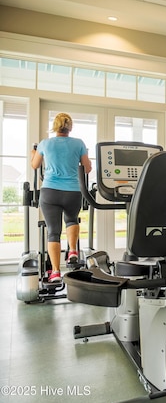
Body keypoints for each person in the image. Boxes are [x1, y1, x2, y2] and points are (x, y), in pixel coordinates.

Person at [31, 113, 92, 282]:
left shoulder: (45, 143)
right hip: (73, 191)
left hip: (50, 191)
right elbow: (87, 169)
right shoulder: (79, 143)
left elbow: (34, 165)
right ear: (69, 127)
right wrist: (86, 162)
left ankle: (56, 272)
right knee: (72, 220)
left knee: (53, 232)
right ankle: (72, 250)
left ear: (55, 126)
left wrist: (33, 153)